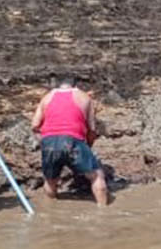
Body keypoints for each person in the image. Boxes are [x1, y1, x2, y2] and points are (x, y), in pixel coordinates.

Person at [31, 75, 108, 206]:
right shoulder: (84, 97)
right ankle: (103, 209)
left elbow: (34, 125)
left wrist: (43, 142)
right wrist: (88, 146)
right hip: (72, 140)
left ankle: (50, 210)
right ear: (75, 85)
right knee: (97, 175)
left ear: (57, 85)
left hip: (49, 141)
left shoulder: (47, 97)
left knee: (50, 180)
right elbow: (92, 129)